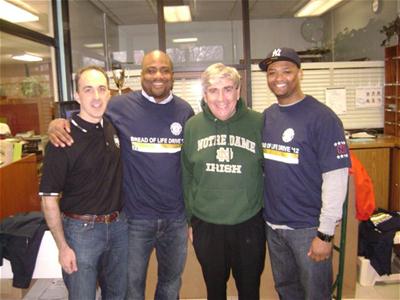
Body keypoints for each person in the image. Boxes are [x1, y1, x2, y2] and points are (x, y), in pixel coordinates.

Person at [48, 50, 194, 300]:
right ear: (141, 75)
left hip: (175, 218)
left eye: (164, 70)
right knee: (130, 288)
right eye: (150, 70)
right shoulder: (118, 106)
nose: (157, 76)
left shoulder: (184, 111)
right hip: (134, 218)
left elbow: (191, 166)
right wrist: (57, 123)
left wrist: (192, 218)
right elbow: (88, 115)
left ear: (172, 75)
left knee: (170, 284)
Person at [258, 47, 351, 300]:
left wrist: (325, 233)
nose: (279, 77)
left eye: (286, 71)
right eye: (272, 72)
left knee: (316, 294)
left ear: (300, 73)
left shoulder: (322, 118)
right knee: (286, 290)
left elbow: (336, 177)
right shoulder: (268, 117)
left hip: (308, 229)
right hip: (274, 226)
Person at [40, 65, 128, 300]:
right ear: (77, 96)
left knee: (118, 295)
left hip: (119, 227)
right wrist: (63, 247)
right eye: (88, 90)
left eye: (101, 89)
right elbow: (48, 200)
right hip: (81, 233)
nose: (96, 97)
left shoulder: (112, 127)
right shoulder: (62, 140)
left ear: (109, 93)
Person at [182, 63, 266, 300]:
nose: (221, 98)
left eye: (228, 89)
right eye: (213, 90)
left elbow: (271, 171)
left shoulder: (259, 123)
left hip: (248, 222)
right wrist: (191, 220)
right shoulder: (192, 127)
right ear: (205, 94)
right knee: (214, 291)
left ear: (238, 92)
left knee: (250, 291)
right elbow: (186, 175)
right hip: (207, 225)